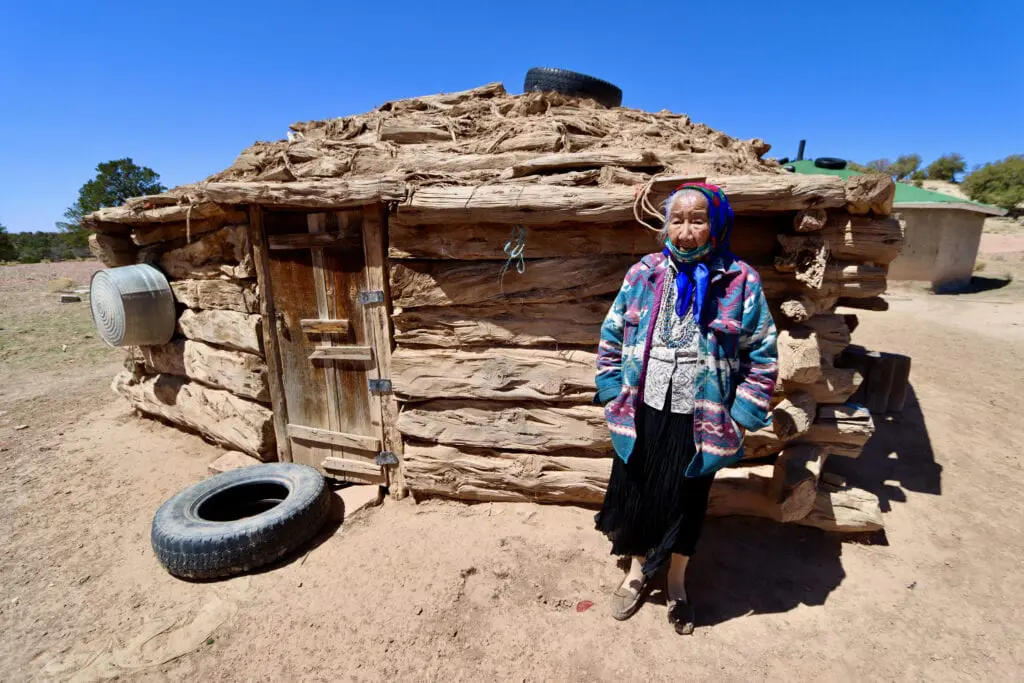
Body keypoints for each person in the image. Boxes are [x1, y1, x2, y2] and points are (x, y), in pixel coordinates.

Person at [593, 182, 779, 635]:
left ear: (715, 224)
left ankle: (676, 581)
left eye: (697, 219)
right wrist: (612, 387)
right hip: (643, 406)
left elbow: (763, 352)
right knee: (636, 491)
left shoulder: (739, 280)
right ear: (665, 226)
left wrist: (739, 416)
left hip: (703, 416)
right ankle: (637, 574)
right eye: (677, 219)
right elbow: (612, 333)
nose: (686, 230)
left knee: (687, 501)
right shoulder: (644, 273)